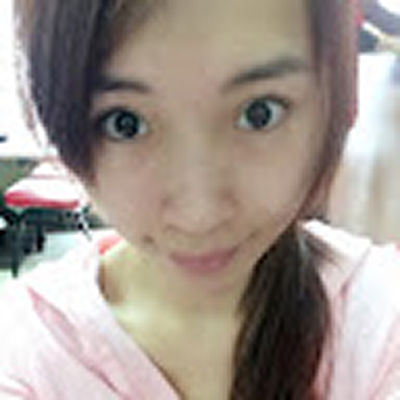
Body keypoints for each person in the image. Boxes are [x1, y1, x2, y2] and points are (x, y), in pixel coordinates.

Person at [1, 0, 400, 399]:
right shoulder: (27, 352)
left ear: (335, 102)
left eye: (260, 113)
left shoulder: (379, 319)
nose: (199, 216)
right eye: (125, 123)